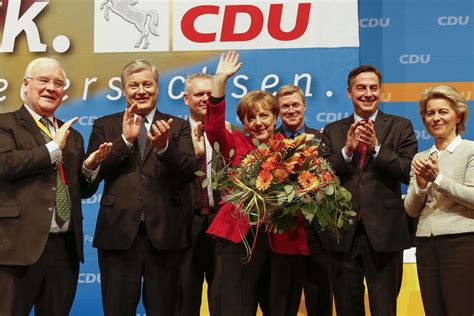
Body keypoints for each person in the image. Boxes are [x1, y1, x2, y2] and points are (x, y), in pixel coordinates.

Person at [84, 59, 196, 315]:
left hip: (165, 235)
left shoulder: (177, 126)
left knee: (164, 309)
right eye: (134, 85)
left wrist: (165, 148)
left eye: (147, 84)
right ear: (124, 90)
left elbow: (189, 172)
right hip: (118, 233)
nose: (141, 90)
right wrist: (124, 141)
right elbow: (92, 174)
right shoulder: (105, 125)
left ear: (158, 88)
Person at [0, 57, 110, 316]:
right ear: (26, 85)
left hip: (64, 249)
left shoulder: (73, 136)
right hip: (18, 247)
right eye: (44, 81)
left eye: (58, 83)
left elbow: (81, 191)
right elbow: (4, 163)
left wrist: (89, 167)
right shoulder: (6, 123)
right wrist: (52, 148)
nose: (52, 87)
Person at [205, 51, 308, 316]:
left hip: (281, 241)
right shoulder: (234, 143)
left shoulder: (292, 150)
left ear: (275, 118)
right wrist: (219, 81)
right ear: (243, 123)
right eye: (251, 118)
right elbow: (214, 128)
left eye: (264, 116)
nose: (258, 122)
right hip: (239, 240)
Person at [318, 65, 418, 316]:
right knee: (346, 308)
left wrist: (376, 148)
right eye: (361, 88)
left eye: (373, 88)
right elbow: (320, 176)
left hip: (385, 235)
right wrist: (347, 151)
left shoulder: (400, 126)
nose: (368, 93)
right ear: (349, 92)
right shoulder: (332, 130)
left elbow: (408, 171)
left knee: (384, 309)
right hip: (342, 234)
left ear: (380, 92)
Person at [404, 85, 474, 316]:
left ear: (458, 115)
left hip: (461, 243)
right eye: (430, 113)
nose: (436, 118)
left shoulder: (470, 151)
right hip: (426, 244)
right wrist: (422, 186)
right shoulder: (421, 157)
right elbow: (411, 210)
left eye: (443, 111)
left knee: (460, 309)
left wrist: (438, 179)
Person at [275, 84, 333, 316]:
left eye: (295, 105)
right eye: (285, 106)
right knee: (282, 303)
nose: (291, 110)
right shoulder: (270, 141)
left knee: (320, 303)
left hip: (317, 234)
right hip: (283, 234)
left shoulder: (322, 139)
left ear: (304, 105)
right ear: (278, 111)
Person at [179, 72, 220, 315]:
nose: (205, 99)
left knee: (222, 301)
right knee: (185, 302)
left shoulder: (232, 131)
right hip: (186, 224)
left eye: (210, 94)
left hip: (221, 223)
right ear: (186, 99)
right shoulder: (173, 134)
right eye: (199, 94)